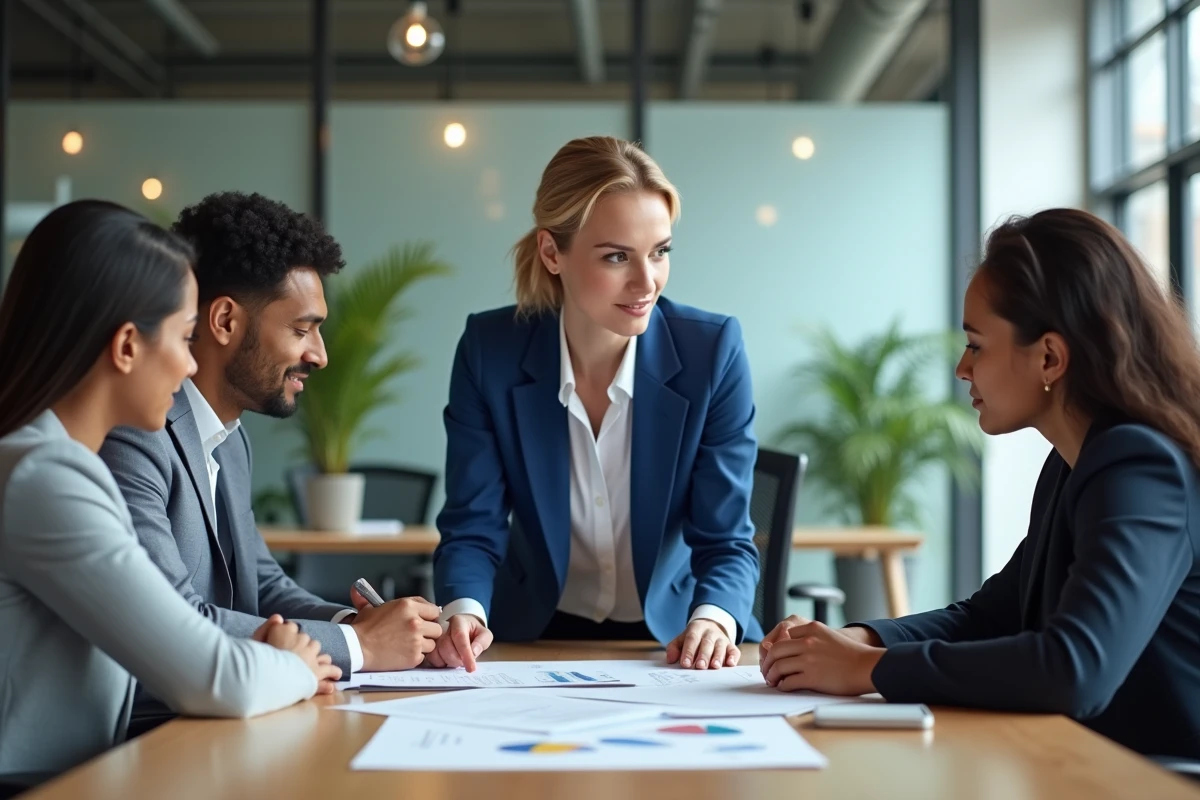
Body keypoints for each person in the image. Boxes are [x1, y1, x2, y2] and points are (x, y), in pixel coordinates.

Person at [759, 208, 1200, 759]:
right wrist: (862, 640)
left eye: (977, 344)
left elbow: (1075, 668)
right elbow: (992, 614)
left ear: (1049, 356)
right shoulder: (1074, 461)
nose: (962, 368)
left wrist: (868, 669)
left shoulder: (1138, 464)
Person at [0, 201, 335, 792]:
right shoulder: (45, 478)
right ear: (127, 346)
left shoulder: (59, 463)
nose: (188, 366)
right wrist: (294, 663)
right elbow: (216, 676)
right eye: (184, 338)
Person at [99, 192, 442, 730]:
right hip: (151, 730)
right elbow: (177, 619)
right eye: (302, 329)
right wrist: (359, 645)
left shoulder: (229, 439)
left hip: (224, 715)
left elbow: (263, 586)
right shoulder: (133, 436)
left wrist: (358, 619)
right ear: (225, 321)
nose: (320, 354)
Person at [430, 136, 761, 673]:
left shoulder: (713, 351)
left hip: (673, 639)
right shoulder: (490, 351)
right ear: (551, 252)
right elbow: (473, 524)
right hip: (527, 639)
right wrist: (464, 612)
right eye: (616, 257)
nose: (646, 281)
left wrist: (714, 619)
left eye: (660, 252)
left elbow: (727, 540)